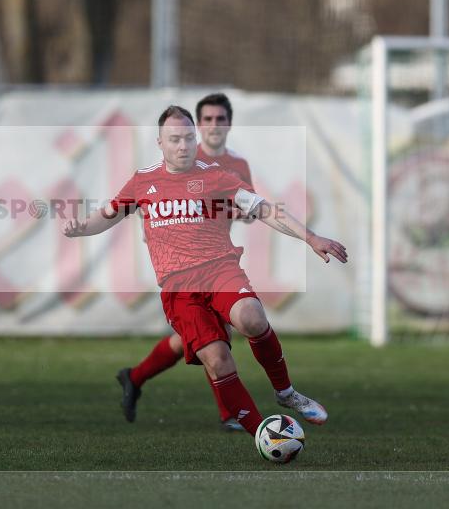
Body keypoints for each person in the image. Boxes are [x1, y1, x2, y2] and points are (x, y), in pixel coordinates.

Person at [64, 106, 347, 437]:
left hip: (219, 270)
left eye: (187, 138)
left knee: (252, 317)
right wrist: (82, 228)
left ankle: (286, 393)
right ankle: (263, 434)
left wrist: (311, 237)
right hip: (179, 288)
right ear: (160, 143)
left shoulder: (214, 175)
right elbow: (108, 214)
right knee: (217, 359)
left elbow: (263, 209)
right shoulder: (143, 181)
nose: (183, 146)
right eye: (175, 140)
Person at [117, 93, 254, 432]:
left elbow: (248, 206)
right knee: (213, 338)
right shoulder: (184, 157)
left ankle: (134, 377)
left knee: (188, 340)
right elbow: (149, 195)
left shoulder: (236, 165)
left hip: (218, 260)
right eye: (206, 119)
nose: (213, 126)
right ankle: (230, 413)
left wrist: (244, 211)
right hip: (184, 266)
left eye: (220, 119)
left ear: (229, 124)